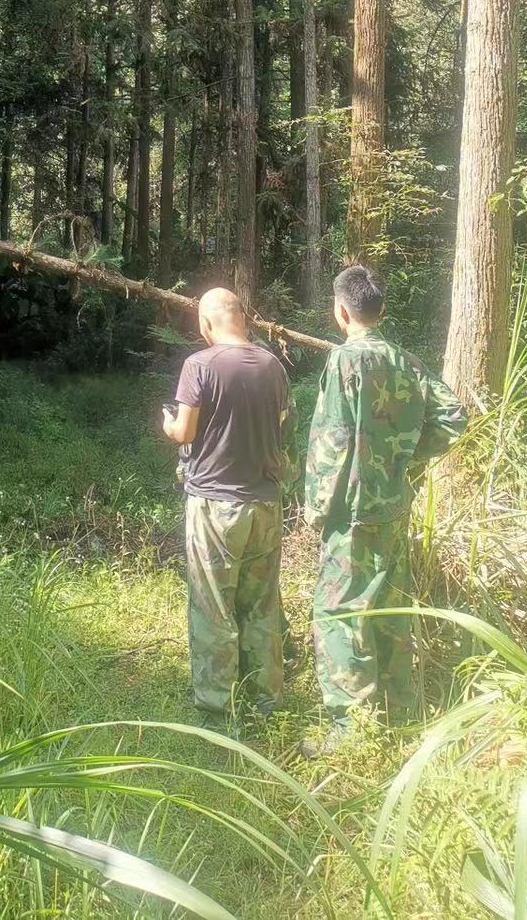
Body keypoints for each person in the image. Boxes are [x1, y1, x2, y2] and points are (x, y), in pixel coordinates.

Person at [303, 264, 467, 754]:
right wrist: (403, 454)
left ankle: (350, 730)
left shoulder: (344, 361)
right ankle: (402, 710)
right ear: (382, 310)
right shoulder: (404, 360)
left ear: (340, 311)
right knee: (391, 608)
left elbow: (330, 440)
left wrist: (315, 506)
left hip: (351, 513)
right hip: (393, 507)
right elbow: (454, 417)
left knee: (337, 613)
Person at [162, 286, 296, 727]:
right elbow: (279, 425)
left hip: (215, 504)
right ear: (244, 317)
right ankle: (266, 698)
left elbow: (185, 432)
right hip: (265, 503)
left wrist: (168, 424)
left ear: (205, 323)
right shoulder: (273, 366)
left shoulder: (198, 365)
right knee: (261, 604)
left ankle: (219, 706)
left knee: (213, 604)